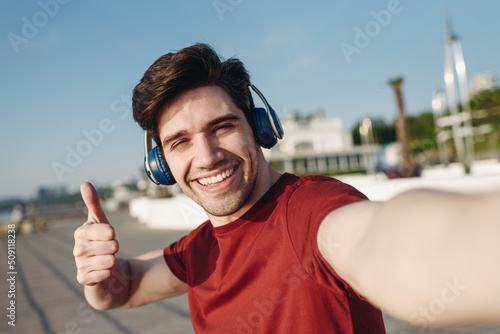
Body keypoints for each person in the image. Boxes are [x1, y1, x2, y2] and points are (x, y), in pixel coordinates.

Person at [73, 43, 500, 333]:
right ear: (160, 164)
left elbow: (390, 241)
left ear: (260, 127)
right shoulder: (199, 251)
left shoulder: (312, 213)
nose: (205, 157)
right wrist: (98, 275)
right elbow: (122, 288)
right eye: (180, 142)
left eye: (222, 127)